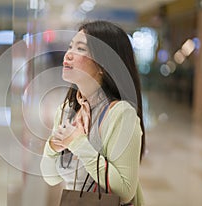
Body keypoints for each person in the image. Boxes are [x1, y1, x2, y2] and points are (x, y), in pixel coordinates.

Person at [40, 20, 145, 206]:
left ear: (103, 64)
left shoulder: (121, 114)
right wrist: (52, 146)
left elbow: (125, 191)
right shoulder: (67, 111)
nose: (68, 54)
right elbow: (50, 177)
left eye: (80, 49)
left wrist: (79, 144)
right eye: (70, 46)